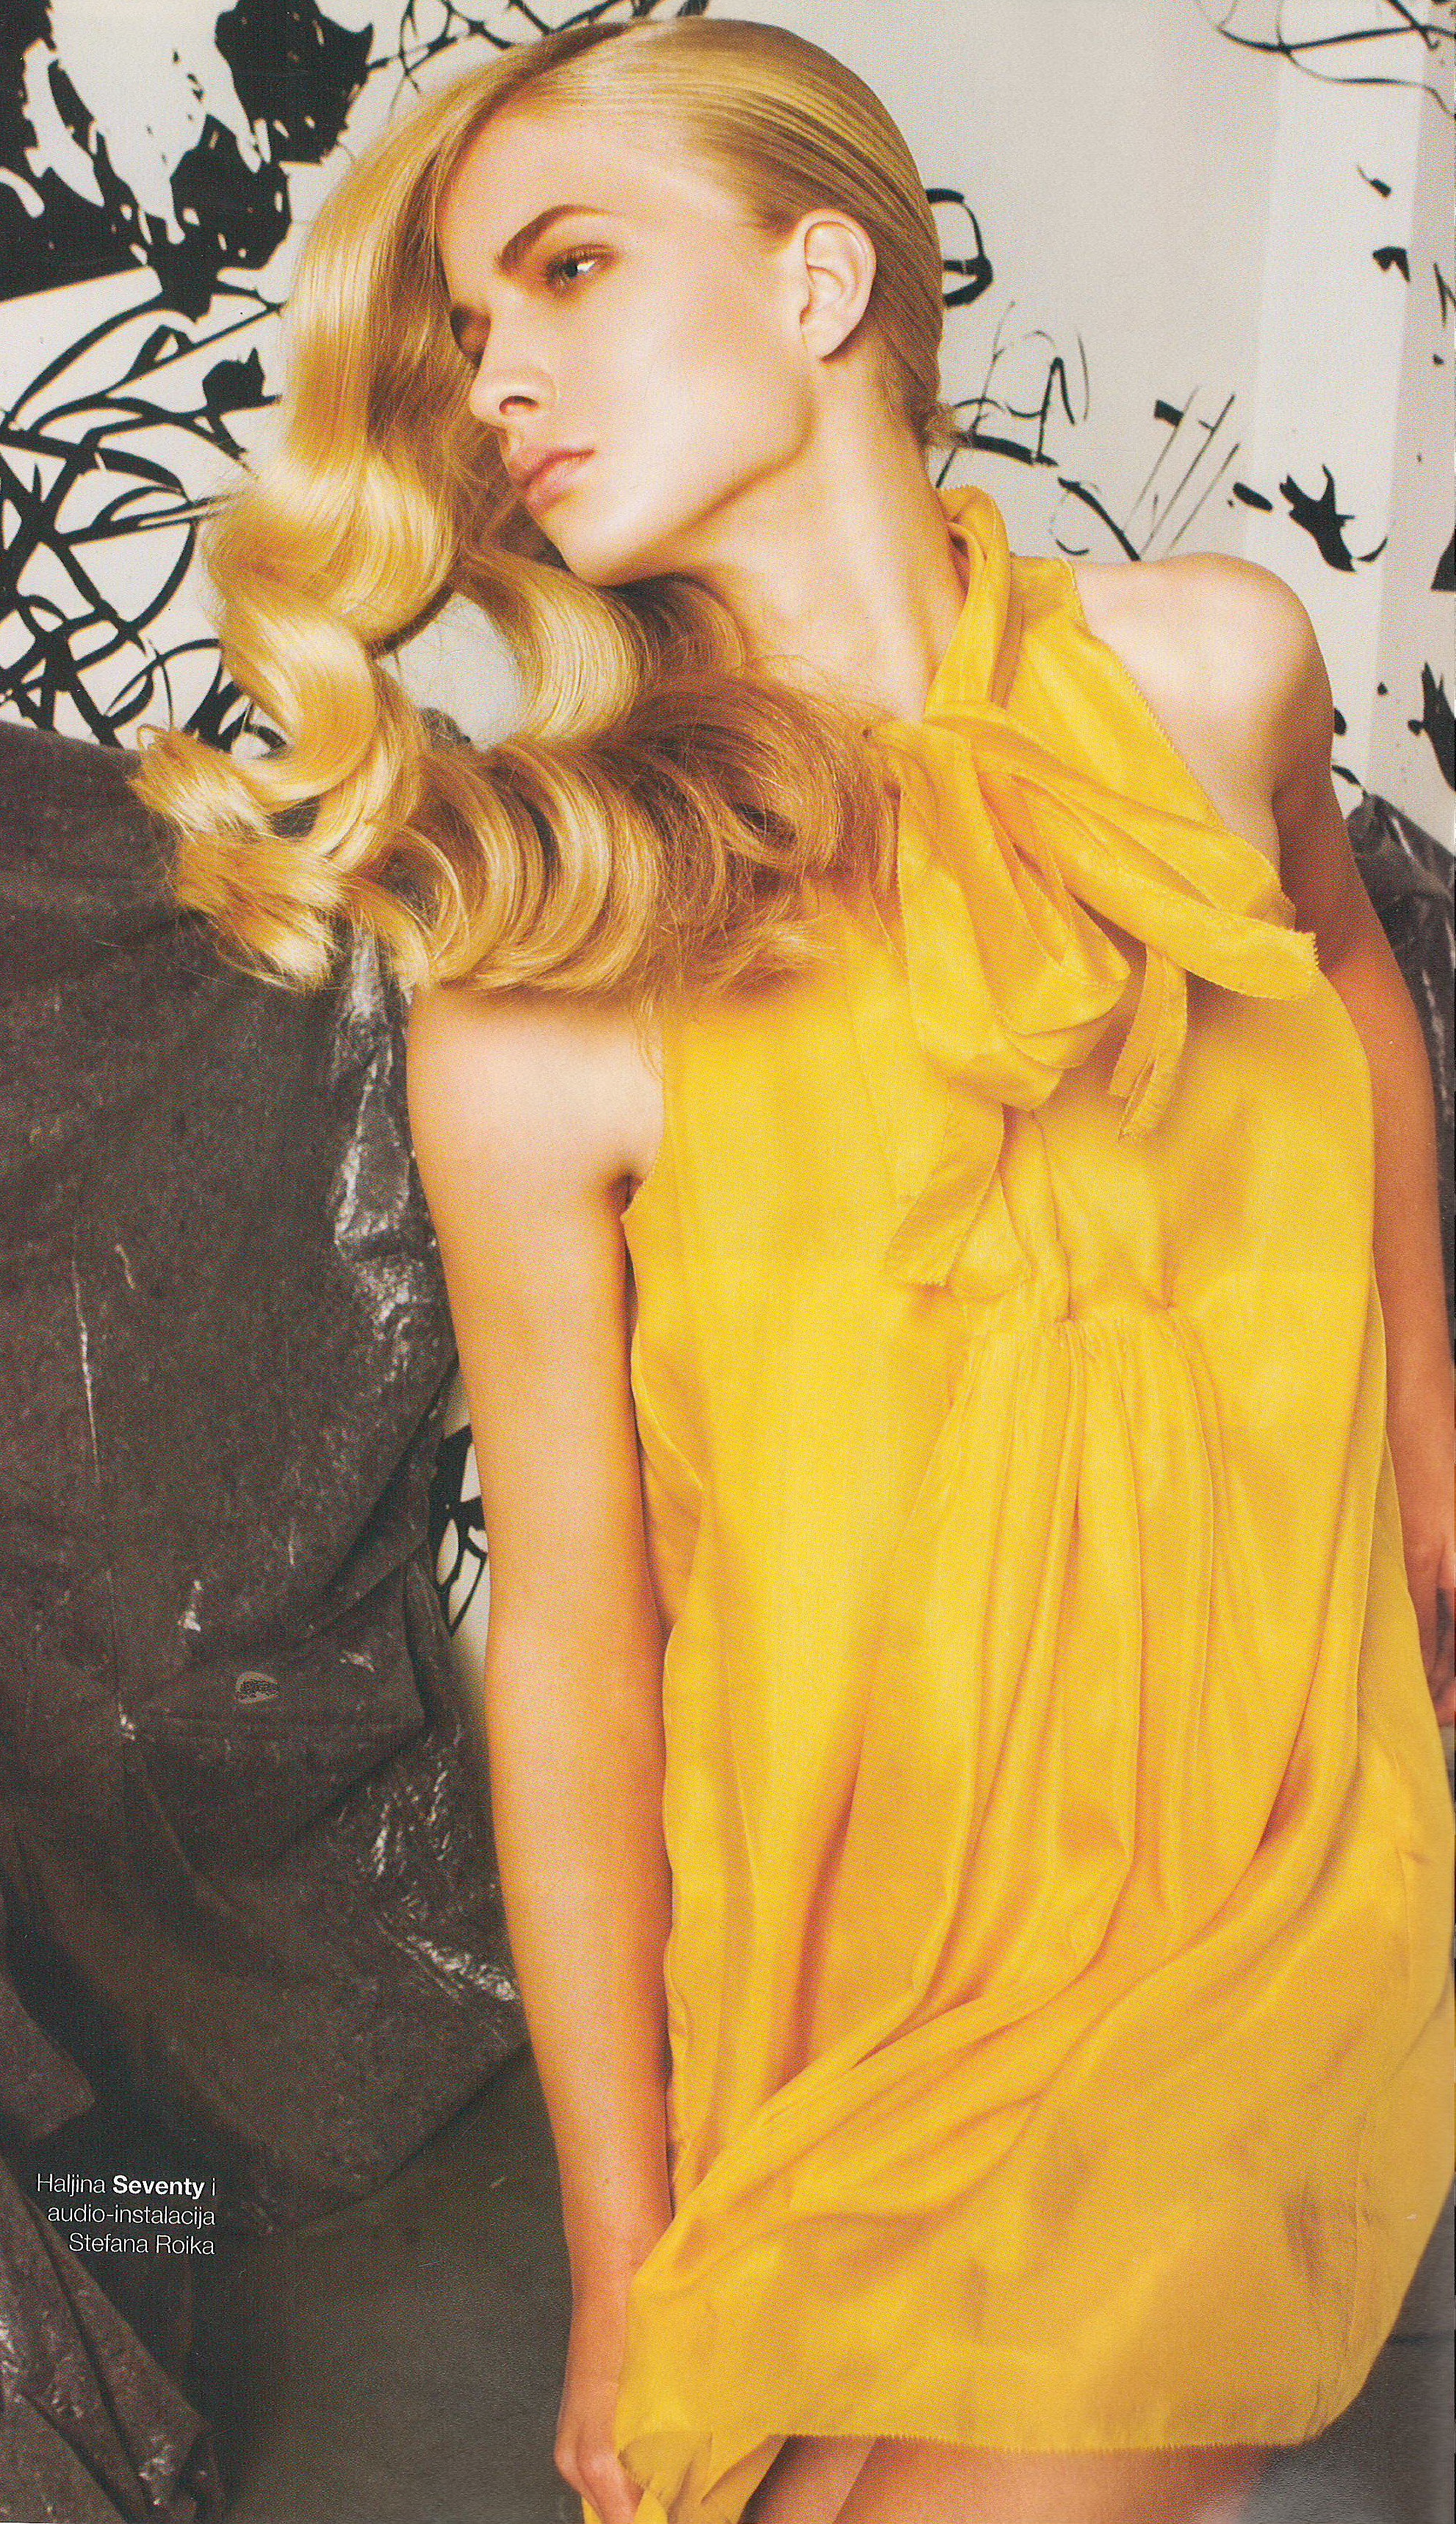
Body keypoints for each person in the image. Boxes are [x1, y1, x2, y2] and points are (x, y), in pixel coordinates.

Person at [134, 20, 1456, 2524]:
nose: (498, 378)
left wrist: (1427, 1447)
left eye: (570, 270)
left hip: (1264, 1871)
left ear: (821, 277)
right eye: (470, 324)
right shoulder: (551, 997)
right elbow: (575, 1651)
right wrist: (621, 2254)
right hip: (861, 1958)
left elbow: (1351, 968)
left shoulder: (1214, 672)